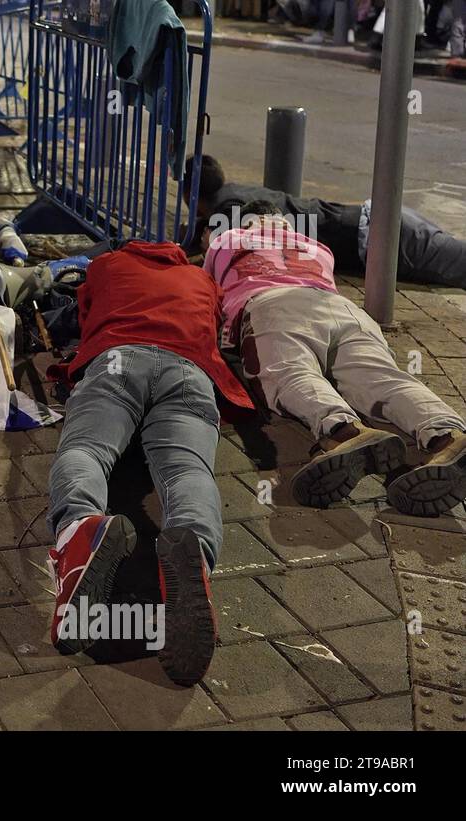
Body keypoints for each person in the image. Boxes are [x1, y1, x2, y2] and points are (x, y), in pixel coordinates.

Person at [46, 240, 256, 687]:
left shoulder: (107, 264)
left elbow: (83, 313)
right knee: (187, 471)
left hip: (118, 360)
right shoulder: (201, 278)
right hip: (189, 371)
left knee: (87, 451)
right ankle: (194, 550)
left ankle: (79, 530)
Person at [208, 201, 466, 515]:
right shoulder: (318, 247)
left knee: (291, 374)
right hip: (343, 309)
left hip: (272, 306)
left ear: (243, 222)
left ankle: (344, 433)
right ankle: (447, 434)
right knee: (383, 378)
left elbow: (208, 294)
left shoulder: (226, 240)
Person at [187, 154, 466, 288]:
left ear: (192, 193)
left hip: (381, 237)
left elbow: (240, 251)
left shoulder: (229, 207)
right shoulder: (235, 192)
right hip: (379, 225)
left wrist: (210, 245)